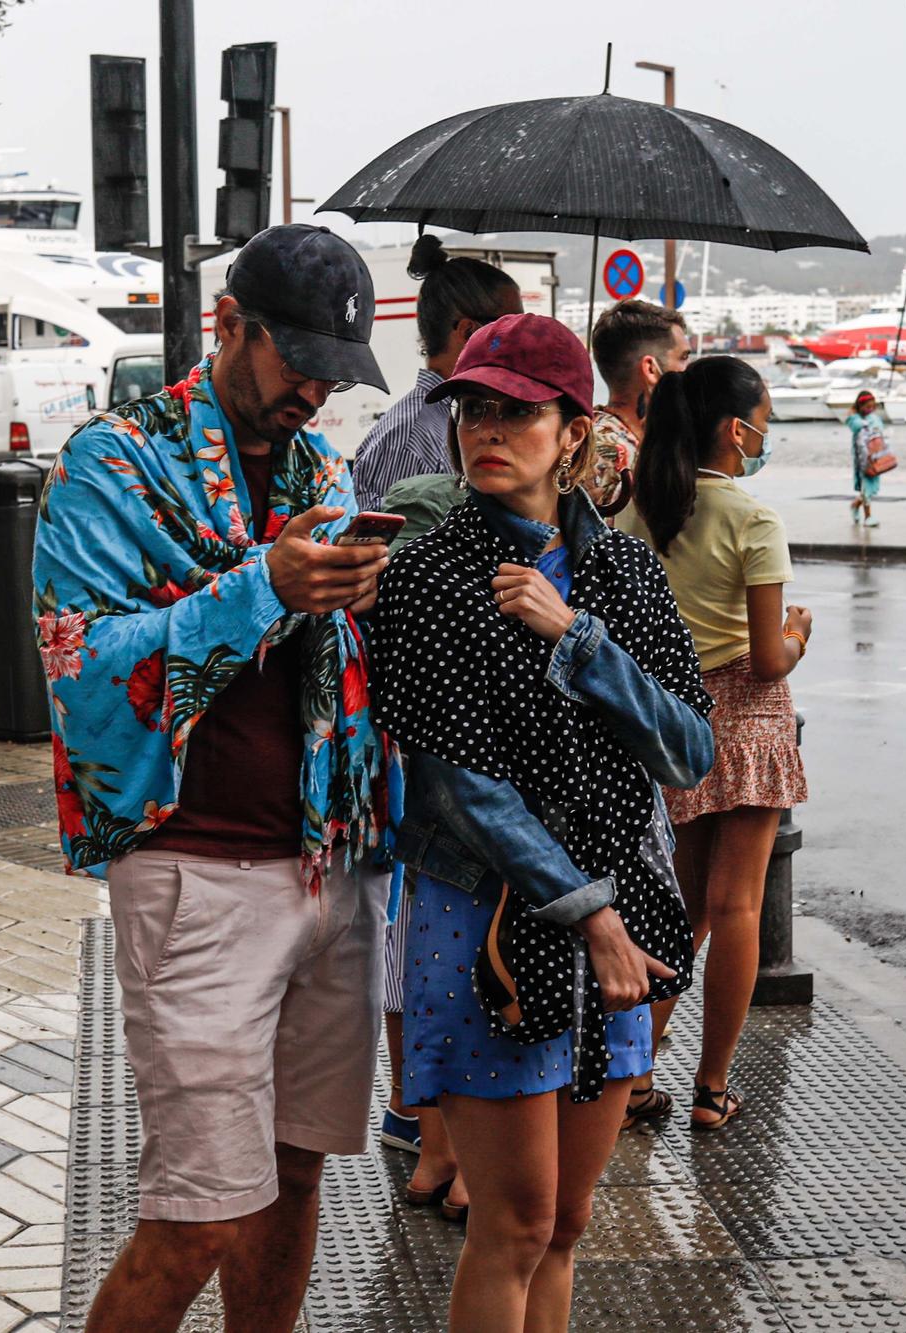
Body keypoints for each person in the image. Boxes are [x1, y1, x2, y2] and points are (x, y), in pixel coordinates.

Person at [34, 223, 394, 1333]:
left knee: (293, 1180)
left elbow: (329, 667)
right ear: (226, 325)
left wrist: (354, 604)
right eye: (300, 364)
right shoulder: (113, 464)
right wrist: (267, 589)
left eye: (337, 375)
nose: (316, 395)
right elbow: (80, 667)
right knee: (196, 1214)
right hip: (194, 873)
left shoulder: (318, 472)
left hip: (325, 871)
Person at [368, 313, 715, 1330]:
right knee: (510, 1224)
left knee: (566, 1221)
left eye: (518, 412)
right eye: (475, 408)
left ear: (574, 434)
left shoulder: (622, 575)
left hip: (613, 923)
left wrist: (579, 642)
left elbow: (687, 750)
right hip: (487, 920)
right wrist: (592, 917)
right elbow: (452, 785)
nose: (488, 429)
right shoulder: (430, 576)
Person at [350, 234, 519, 1220]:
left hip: (397, 711)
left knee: (420, 919)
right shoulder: (441, 437)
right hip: (436, 718)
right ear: (461, 336)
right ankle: (433, 1128)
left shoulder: (400, 425)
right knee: (442, 922)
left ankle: (420, 1125)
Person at [618, 356, 811, 1132]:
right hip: (750, 715)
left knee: (682, 906)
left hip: (670, 718)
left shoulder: (638, 514)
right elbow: (768, 657)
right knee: (737, 906)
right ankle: (711, 1086)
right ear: (738, 430)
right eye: (763, 419)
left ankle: (635, 1075)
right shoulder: (753, 520)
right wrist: (799, 634)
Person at [351, 234, 521, 511]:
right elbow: (394, 549)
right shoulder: (410, 437)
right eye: (512, 330)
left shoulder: (462, 419)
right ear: (469, 332)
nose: (522, 343)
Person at [587, 300, 691, 521]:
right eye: (683, 358)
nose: (688, 371)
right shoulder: (607, 451)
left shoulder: (608, 435)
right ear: (651, 369)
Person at [846, 389, 887, 528]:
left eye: (872, 406)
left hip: (875, 456)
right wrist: (854, 415)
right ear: (860, 406)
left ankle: (855, 505)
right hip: (863, 459)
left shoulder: (873, 419)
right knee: (866, 488)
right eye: (867, 407)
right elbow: (857, 427)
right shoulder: (856, 420)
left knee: (870, 488)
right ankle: (868, 517)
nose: (870, 409)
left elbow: (879, 432)